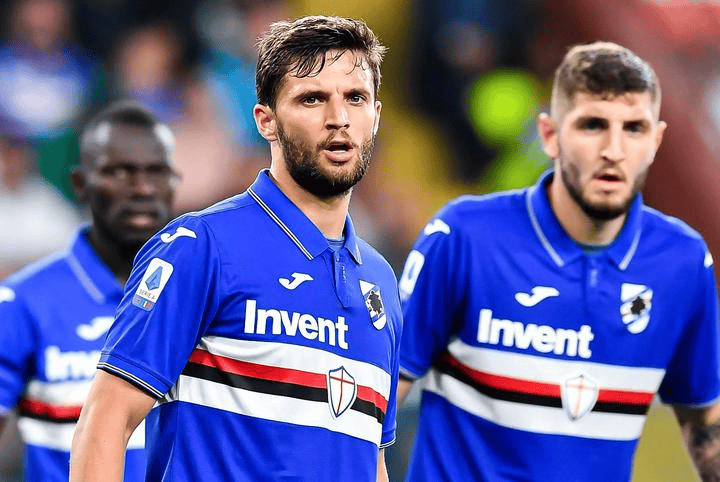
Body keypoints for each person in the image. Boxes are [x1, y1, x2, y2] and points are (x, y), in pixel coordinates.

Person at [70, 15, 401, 482]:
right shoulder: (200, 247)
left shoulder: (381, 281)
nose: (338, 118)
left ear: (376, 115)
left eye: (355, 98)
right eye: (312, 98)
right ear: (266, 121)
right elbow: (105, 421)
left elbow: (372, 461)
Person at [395, 41, 720, 481]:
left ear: (655, 141)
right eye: (592, 125)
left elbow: (705, 420)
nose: (614, 149)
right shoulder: (464, 237)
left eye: (634, 129)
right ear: (549, 135)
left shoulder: (681, 262)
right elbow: (377, 400)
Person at [0, 100, 177, 481]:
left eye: (156, 171)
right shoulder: (23, 301)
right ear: (81, 183)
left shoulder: (211, 295)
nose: (142, 188)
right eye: (120, 171)